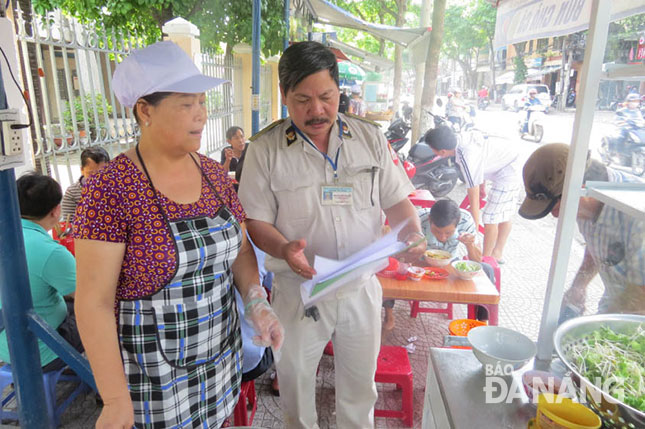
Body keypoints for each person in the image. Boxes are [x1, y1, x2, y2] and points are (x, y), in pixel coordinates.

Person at [72, 41, 284, 429]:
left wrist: (256, 299)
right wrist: (116, 400)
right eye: (186, 104)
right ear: (144, 110)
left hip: (219, 360)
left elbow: (238, 251)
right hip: (153, 380)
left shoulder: (214, 174)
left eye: (202, 102)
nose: (201, 115)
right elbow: (93, 303)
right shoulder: (110, 189)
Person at [238, 41, 425, 429]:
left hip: (359, 286)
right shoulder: (265, 149)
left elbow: (396, 202)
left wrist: (413, 233)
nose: (317, 109)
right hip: (300, 291)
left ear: (339, 91)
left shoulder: (370, 138)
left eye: (326, 96)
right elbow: (254, 221)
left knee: (360, 389)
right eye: (303, 99)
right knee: (295, 384)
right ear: (285, 97)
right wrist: (284, 248)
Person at [519, 143, 645, 315]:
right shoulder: (583, 203)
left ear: (581, 189)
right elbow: (597, 246)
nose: (555, 216)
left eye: (554, 207)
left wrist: (597, 329)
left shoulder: (636, 213)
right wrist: (579, 286)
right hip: (614, 301)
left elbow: (639, 295)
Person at [0, 173, 83, 371]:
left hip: (5, 343)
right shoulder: (50, 252)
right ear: (55, 211)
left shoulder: (7, 234)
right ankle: (107, 384)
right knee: (104, 310)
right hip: (42, 350)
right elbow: (87, 296)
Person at [425, 126, 522, 263]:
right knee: (503, 211)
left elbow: (473, 195)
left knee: (491, 217)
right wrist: (483, 184)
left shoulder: (466, 155)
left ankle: (487, 259)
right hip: (502, 159)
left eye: (432, 149)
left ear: (442, 151)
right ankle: (495, 254)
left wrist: (474, 230)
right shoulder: (459, 141)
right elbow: (483, 159)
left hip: (508, 167)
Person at [60, 146, 110, 222]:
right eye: (91, 173)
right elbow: (69, 224)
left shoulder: (116, 188)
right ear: (82, 170)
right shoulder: (72, 192)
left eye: (101, 173)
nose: (96, 177)